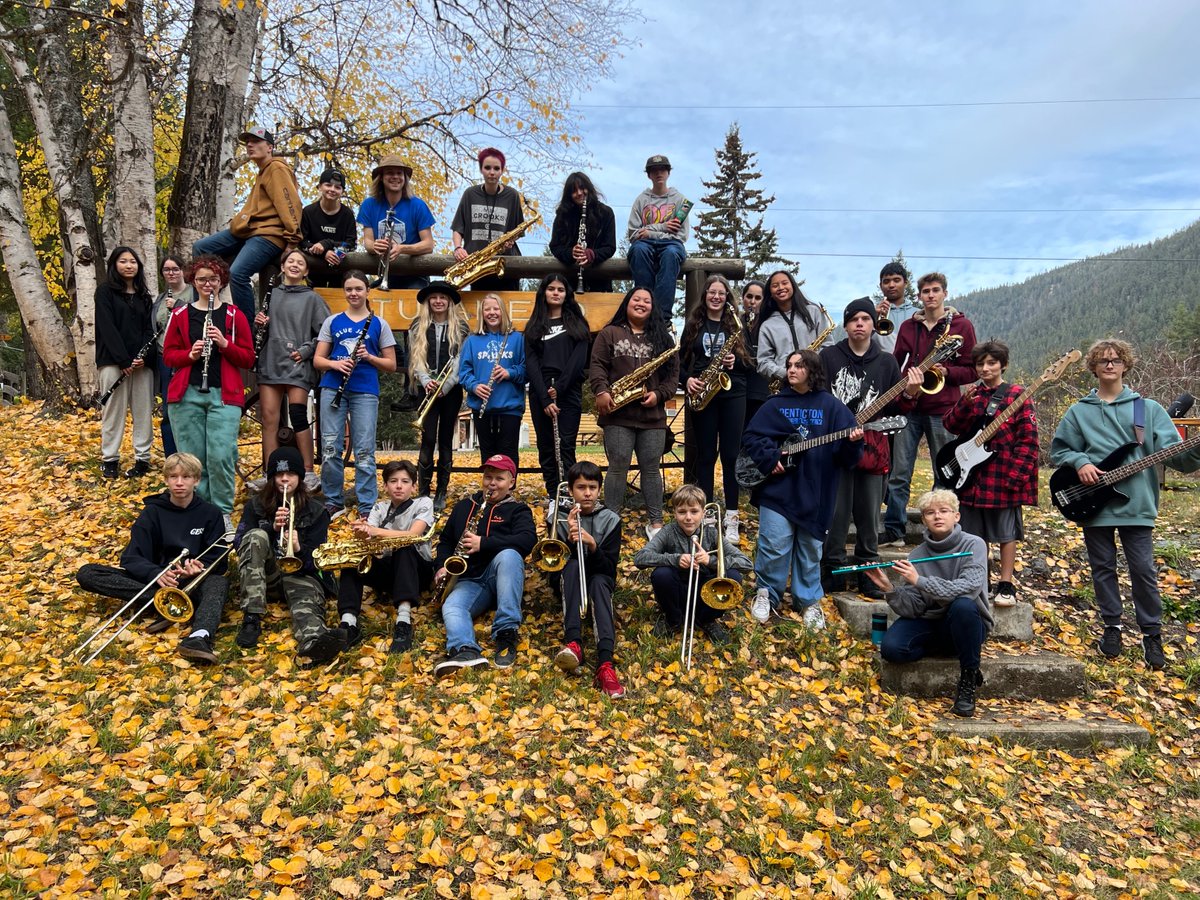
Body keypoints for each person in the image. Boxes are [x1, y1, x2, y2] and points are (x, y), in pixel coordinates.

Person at [1050, 339, 1200, 671]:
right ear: (1093, 367)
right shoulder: (1079, 411)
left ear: (1125, 365)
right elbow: (1059, 450)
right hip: (1093, 502)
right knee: (1102, 568)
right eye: (1103, 361)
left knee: (1144, 570)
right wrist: (1080, 462)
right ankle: (1112, 629)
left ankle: (1152, 635)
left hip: (1138, 503)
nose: (1109, 365)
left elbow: (1179, 459)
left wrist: (1197, 449)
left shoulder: (1146, 410)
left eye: (1116, 360)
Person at [742, 349, 863, 628]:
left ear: (813, 370)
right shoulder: (775, 404)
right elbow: (751, 436)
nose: (791, 370)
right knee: (773, 545)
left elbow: (848, 460)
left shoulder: (832, 407)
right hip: (778, 490)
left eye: (799, 365)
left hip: (816, 492)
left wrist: (854, 442)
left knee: (810, 548)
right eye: (789, 365)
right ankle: (767, 594)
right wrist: (769, 458)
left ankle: (808, 601)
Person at [76, 452, 229, 660]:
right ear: (165, 480)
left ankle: (199, 636)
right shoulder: (152, 512)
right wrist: (156, 574)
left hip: (192, 583)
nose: (179, 483)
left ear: (197, 480)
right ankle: (164, 603)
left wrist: (200, 568)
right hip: (156, 582)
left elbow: (219, 559)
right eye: (173, 477)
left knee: (218, 583)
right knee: (88, 573)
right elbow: (131, 558)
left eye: (186, 477)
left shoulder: (210, 513)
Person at [864, 489, 990, 717]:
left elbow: (968, 588)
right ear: (923, 520)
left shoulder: (975, 544)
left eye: (944, 511)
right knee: (892, 649)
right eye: (930, 513)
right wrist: (889, 589)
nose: (937, 516)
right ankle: (948, 645)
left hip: (967, 621)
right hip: (933, 621)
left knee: (962, 605)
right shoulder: (917, 555)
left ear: (957, 516)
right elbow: (914, 607)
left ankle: (969, 677)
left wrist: (920, 580)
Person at [881, 272, 976, 547]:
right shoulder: (910, 327)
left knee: (944, 473)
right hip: (909, 408)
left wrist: (946, 371)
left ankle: (941, 532)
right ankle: (894, 531)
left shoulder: (962, 325)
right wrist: (904, 386)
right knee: (899, 472)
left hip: (944, 410)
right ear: (920, 296)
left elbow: (972, 369)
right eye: (926, 291)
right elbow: (896, 362)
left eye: (936, 290)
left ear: (945, 293)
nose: (931, 295)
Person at [942, 340, 1038, 607]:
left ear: (1003, 365)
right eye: (980, 364)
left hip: (1003, 474)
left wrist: (1017, 477)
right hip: (972, 476)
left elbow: (1029, 439)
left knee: (1006, 533)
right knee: (974, 534)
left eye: (991, 363)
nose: (985, 368)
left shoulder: (1017, 395)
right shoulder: (972, 395)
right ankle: (978, 582)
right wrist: (963, 403)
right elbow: (951, 425)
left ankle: (1006, 584)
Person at [819, 298, 903, 599]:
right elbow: (819, 398)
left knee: (869, 515)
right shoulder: (828, 357)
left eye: (865, 319)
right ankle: (833, 570)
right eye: (853, 318)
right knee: (836, 514)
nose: (859, 323)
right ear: (845, 325)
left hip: (874, 446)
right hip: (836, 447)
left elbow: (897, 406)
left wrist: (915, 388)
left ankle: (869, 571)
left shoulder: (887, 362)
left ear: (873, 325)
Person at [162, 256, 255, 524]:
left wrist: (225, 344)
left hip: (224, 395)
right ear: (193, 280)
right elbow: (168, 355)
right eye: (202, 279)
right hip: (186, 395)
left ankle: (222, 514)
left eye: (213, 279)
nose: (207, 284)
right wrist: (190, 355)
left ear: (221, 282)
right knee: (192, 459)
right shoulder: (180, 314)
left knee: (221, 456)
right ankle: (197, 513)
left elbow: (248, 358)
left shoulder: (234, 315)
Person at [233, 446, 346, 664]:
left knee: (304, 598)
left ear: (300, 477)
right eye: (279, 474)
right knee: (256, 535)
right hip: (266, 578)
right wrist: (271, 529)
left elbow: (318, 560)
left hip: (301, 573)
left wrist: (298, 547)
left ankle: (313, 644)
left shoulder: (317, 510)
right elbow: (240, 543)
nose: (285, 479)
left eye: (291, 474)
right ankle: (251, 617)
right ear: (271, 477)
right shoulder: (255, 505)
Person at [588, 286, 680, 539]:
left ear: (653, 307)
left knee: (651, 468)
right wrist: (601, 392)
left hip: (652, 416)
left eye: (647, 301)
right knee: (618, 466)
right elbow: (597, 365)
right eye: (636, 299)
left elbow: (673, 376)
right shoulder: (610, 333)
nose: (641, 303)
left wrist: (659, 395)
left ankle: (656, 523)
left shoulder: (664, 339)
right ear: (627, 303)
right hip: (617, 414)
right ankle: (611, 520)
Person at [433, 454, 537, 676]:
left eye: (499, 478)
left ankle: (506, 633)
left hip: (501, 574)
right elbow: (446, 541)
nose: (492, 483)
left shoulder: (518, 510)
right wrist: (441, 566)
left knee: (510, 554)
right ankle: (466, 650)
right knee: (451, 607)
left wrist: (484, 543)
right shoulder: (464, 506)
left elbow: (528, 541)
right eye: (488, 477)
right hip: (469, 580)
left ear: (512, 483)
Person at [192, 126, 303, 326]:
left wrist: (292, 241)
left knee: (238, 273)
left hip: (269, 235)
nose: (250, 145)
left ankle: (247, 327)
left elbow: (291, 205)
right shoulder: (263, 172)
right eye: (248, 142)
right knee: (201, 248)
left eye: (256, 141)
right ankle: (201, 309)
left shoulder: (276, 168)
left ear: (269, 147)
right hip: (249, 232)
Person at [314, 270, 397, 519]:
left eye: (358, 289)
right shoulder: (333, 321)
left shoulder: (379, 324)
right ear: (344, 292)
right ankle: (333, 500)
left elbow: (391, 364)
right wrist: (335, 365)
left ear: (367, 291)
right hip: (333, 387)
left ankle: (366, 505)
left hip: (365, 391)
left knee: (364, 451)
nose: (353, 293)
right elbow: (318, 359)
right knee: (330, 448)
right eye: (349, 289)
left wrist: (369, 357)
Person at [679, 274, 752, 543]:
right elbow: (681, 361)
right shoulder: (694, 325)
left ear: (727, 297)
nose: (717, 297)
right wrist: (687, 379)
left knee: (731, 455)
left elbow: (751, 362)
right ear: (706, 294)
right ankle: (707, 516)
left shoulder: (736, 325)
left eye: (722, 293)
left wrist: (737, 360)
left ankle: (731, 516)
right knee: (706, 456)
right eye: (712, 292)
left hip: (734, 392)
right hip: (704, 392)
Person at [337, 460, 435, 654]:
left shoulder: (423, 503)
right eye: (393, 481)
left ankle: (404, 621)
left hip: (417, 573)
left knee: (404, 547)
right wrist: (362, 533)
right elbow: (370, 541)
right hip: (389, 570)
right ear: (385, 486)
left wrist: (374, 530)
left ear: (414, 486)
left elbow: (414, 534)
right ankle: (349, 623)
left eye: (405, 481)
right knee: (353, 557)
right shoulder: (379, 508)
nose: (399, 486)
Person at [633, 483, 751, 645]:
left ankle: (707, 620)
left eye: (694, 511)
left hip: (706, 591)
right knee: (662, 574)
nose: (688, 517)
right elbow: (640, 558)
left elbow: (746, 564)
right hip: (678, 591)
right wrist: (675, 559)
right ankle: (673, 620)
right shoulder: (668, 531)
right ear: (674, 513)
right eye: (682, 512)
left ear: (703, 513)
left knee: (733, 576)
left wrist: (711, 561)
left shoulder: (712, 532)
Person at [254, 248, 330, 486]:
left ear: (306, 270)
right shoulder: (270, 294)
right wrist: (259, 324)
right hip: (271, 361)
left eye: (300, 262)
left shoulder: (313, 298)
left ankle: (307, 471)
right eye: (290, 261)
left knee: (298, 416)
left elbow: (326, 333)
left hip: (298, 362)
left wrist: (306, 350)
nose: (295, 265)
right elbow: (259, 333)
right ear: (283, 266)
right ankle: (271, 472)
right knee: (269, 418)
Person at [550, 461, 626, 698]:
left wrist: (592, 545)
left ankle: (605, 663)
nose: (587, 493)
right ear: (571, 490)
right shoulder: (558, 518)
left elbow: (608, 568)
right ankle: (574, 642)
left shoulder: (611, 519)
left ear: (599, 489)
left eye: (592, 487)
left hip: (599, 578)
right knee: (572, 565)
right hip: (568, 580)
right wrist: (572, 543)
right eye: (581, 487)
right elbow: (552, 567)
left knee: (598, 582)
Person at [525, 274, 590, 499]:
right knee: (546, 448)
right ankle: (554, 495)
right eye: (551, 288)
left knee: (565, 445)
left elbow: (578, 359)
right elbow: (531, 363)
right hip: (540, 392)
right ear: (544, 292)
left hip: (568, 390)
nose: (555, 293)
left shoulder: (577, 323)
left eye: (560, 289)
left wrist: (560, 388)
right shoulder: (534, 325)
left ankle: (569, 496)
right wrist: (544, 397)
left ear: (566, 294)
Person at [409, 280, 470, 512]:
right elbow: (415, 358)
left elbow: (461, 359)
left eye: (442, 297)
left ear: (449, 302)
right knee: (427, 440)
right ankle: (423, 494)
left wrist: (446, 385)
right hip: (426, 389)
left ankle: (441, 493)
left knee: (445, 440)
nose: (438, 301)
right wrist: (426, 380)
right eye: (433, 297)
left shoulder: (462, 328)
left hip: (450, 390)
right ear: (428, 301)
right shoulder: (418, 325)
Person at [96, 245, 156, 479]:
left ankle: (142, 458)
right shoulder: (104, 292)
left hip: (142, 364)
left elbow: (149, 329)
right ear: (114, 265)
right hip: (113, 361)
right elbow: (107, 327)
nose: (129, 265)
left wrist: (143, 357)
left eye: (133, 261)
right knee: (113, 411)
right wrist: (123, 360)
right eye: (123, 261)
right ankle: (110, 459)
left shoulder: (144, 296)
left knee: (143, 411)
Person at [459, 293, 526, 464]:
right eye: (487, 309)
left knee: (508, 453)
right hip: (482, 407)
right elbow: (464, 372)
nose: (492, 312)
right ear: (482, 314)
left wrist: (509, 373)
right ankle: (490, 490)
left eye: (496, 308)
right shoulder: (472, 341)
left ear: (503, 311)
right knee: (487, 454)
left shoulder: (517, 338)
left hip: (510, 407)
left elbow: (527, 369)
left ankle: (508, 490)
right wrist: (474, 386)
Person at [450, 147, 525, 291]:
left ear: (502, 170)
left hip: (505, 264)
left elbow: (517, 230)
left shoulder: (512, 195)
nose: (492, 172)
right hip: (478, 267)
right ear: (481, 170)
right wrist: (458, 248)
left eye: (496, 168)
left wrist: (510, 241)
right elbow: (458, 228)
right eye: (487, 168)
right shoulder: (469, 194)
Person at [626, 155, 689, 323]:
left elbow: (681, 235)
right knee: (638, 250)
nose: (658, 173)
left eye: (662, 169)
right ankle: (643, 308)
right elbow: (634, 234)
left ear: (668, 173)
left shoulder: (680, 200)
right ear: (649, 175)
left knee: (670, 254)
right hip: (644, 244)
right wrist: (663, 227)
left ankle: (662, 317)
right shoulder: (641, 200)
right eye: (654, 170)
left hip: (671, 244)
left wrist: (650, 231)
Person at [358, 154, 435, 290]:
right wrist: (376, 246)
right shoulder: (368, 205)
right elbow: (368, 242)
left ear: (405, 178)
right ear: (381, 178)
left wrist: (402, 248)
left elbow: (428, 244)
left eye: (399, 173)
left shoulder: (418, 205)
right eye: (389, 173)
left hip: (415, 275)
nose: (395, 177)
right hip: (386, 275)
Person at [754, 269, 827, 395]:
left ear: (793, 286)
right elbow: (763, 362)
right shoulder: (767, 325)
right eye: (775, 286)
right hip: (785, 387)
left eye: (785, 283)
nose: (781, 288)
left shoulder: (814, 312)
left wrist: (812, 368)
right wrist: (785, 373)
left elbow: (827, 345)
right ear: (770, 293)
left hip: (816, 384)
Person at [152, 255, 194, 457]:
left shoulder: (193, 293)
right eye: (166, 270)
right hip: (165, 358)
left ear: (183, 270)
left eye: (175, 269)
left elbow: (197, 317)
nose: (171, 273)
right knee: (169, 409)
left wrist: (178, 306)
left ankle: (190, 456)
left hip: (188, 358)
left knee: (189, 406)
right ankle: (172, 458)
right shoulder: (160, 298)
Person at [548, 172, 617, 292]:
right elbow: (555, 246)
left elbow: (610, 247)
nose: (579, 193)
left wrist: (592, 254)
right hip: (569, 283)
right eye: (574, 191)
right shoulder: (563, 215)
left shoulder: (606, 213)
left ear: (589, 188)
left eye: (582, 188)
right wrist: (570, 253)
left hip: (600, 282)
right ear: (569, 195)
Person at [300, 167, 357, 288]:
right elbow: (302, 242)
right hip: (314, 272)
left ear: (342, 191)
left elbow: (351, 244)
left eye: (337, 187)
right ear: (320, 187)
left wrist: (329, 245)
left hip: (339, 272)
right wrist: (323, 253)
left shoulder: (347, 214)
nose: (332, 189)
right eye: (328, 185)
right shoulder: (308, 212)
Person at [740, 279, 769, 426]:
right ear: (742, 298)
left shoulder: (769, 324)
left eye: (758, 298)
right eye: (749, 296)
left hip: (761, 390)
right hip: (738, 391)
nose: (752, 301)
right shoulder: (734, 322)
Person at [874, 261, 911, 354]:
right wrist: (872, 317)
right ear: (881, 286)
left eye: (896, 280)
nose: (891, 285)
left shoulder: (919, 314)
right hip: (881, 366)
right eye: (886, 281)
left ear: (905, 283)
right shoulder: (871, 314)